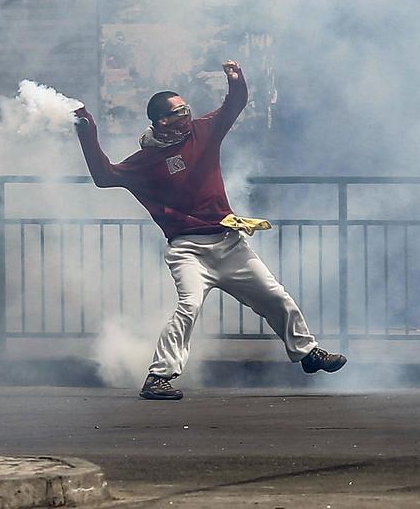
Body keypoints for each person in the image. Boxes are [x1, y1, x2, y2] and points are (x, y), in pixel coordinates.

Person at [73, 60, 346, 401]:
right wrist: (87, 131)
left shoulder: (202, 132)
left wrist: (235, 79)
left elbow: (234, 105)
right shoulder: (144, 163)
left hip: (230, 243)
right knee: (188, 307)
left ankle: (308, 353)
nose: (187, 115)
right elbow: (104, 176)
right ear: (162, 121)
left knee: (276, 296)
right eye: (180, 111)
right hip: (187, 248)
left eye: (187, 109)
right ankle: (158, 378)